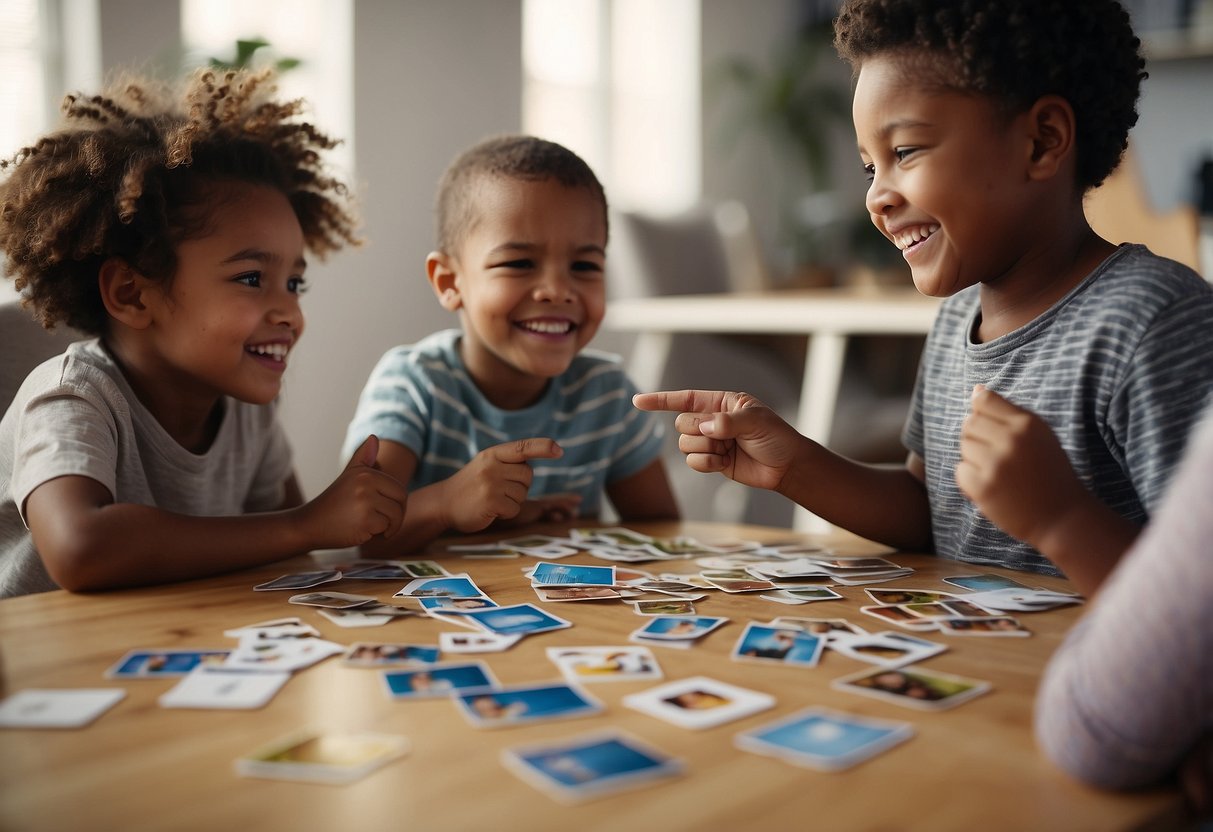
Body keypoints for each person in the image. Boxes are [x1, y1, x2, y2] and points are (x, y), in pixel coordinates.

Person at [635, 0, 1213, 589]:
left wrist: (1061, 519)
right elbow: (926, 507)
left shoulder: (1155, 322)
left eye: (905, 152)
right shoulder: (957, 318)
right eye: (869, 168)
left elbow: (1195, 596)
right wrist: (797, 466)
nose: (876, 197)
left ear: (1042, 142)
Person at [0, 68, 408, 598]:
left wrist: (317, 527)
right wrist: (306, 523)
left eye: (294, 284)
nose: (289, 312)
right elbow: (81, 549)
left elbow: (290, 552)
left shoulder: (246, 406)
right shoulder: (73, 396)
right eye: (251, 278)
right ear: (132, 293)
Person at [342, 134, 678, 554]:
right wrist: (446, 505)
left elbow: (663, 533)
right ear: (449, 283)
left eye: (584, 265)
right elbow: (362, 536)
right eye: (519, 263)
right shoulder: (413, 385)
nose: (558, 290)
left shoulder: (607, 394)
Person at [1035, 407, 1213, 815]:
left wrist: (1058, 519)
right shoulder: (944, 342)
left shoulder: (1151, 347)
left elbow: (1097, 739)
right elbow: (923, 498)